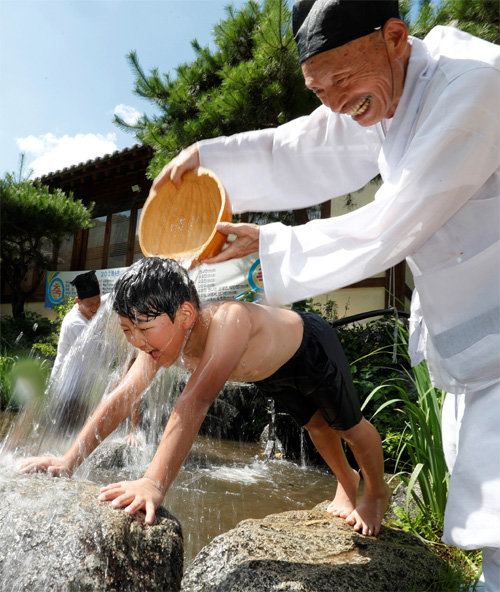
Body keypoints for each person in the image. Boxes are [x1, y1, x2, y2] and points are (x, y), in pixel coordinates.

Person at [151, 1, 500, 587]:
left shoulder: (472, 83)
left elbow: (394, 219)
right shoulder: (382, 87)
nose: (336, 103)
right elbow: (301, 147)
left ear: (395, 37)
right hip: (472, 336)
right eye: (319, 90)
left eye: (342, 81)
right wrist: (207, 159)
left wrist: (270, 243)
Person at [19, 256, 391, 536]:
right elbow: (122, 395)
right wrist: (69, 460)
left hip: (310, 348)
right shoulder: (158, 345)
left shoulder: (229, 322)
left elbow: (194, 402)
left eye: (144, 328)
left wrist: (153, 482)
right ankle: (347, 481)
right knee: (316, 426)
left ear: (184, 314)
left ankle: (375, 493)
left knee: (348, 427)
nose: (138, 341)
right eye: (127, 330)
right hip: (271, 372)